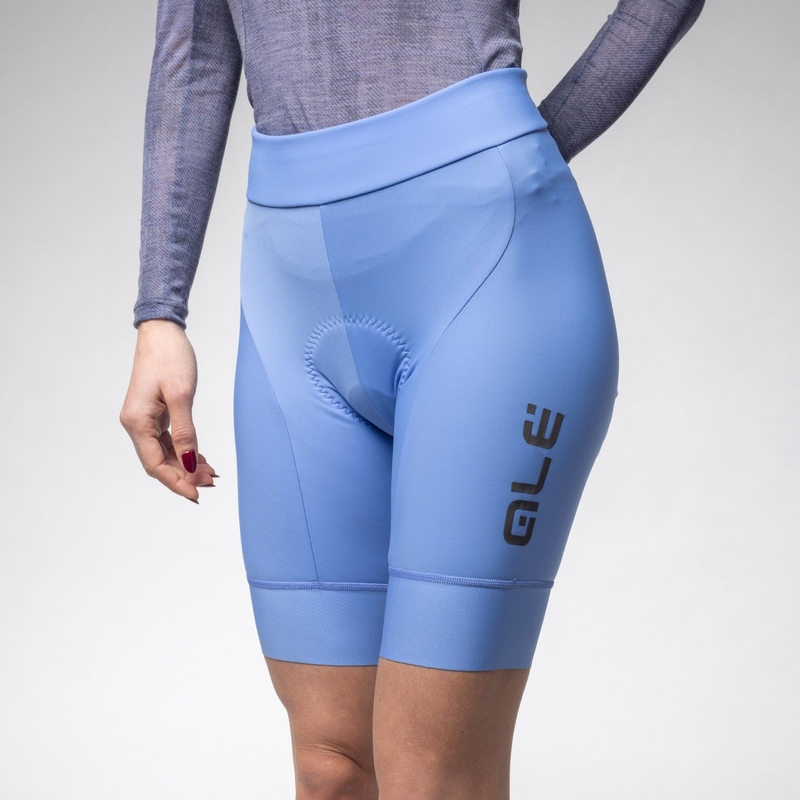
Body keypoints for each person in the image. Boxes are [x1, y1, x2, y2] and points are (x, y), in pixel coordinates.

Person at [120, 1, 705, 797]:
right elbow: (194, 53)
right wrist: (160, 312)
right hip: (289, 293)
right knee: (331, 768)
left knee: (433, 777)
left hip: (488, 275)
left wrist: (524, 145)